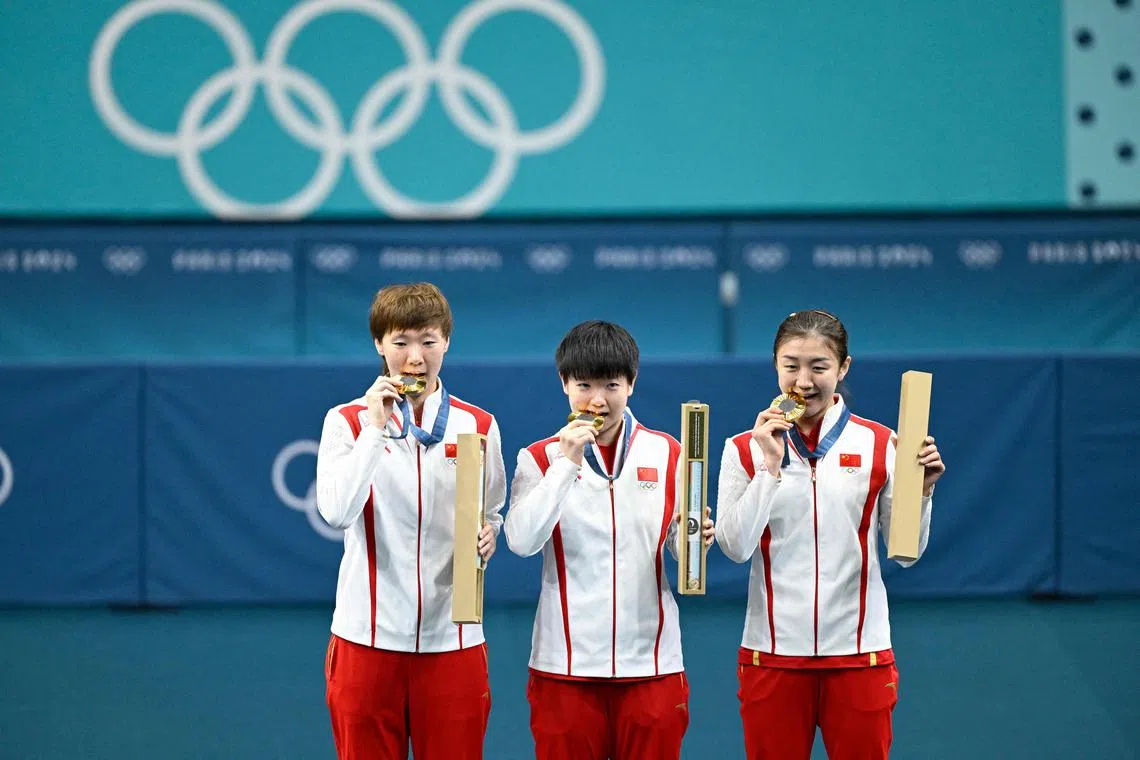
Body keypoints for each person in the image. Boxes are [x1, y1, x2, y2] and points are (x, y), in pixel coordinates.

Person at [716, 309, 945, 760]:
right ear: (775, 365)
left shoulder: (882, 444)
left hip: (861, 655)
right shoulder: (742, 449)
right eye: (791, 365)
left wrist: (922, 494)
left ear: (843, 369)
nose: (804, 381)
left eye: (819, 367)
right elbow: (736, 548)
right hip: (772, 655)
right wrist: (769, 468)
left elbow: (906, 553)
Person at [504, 320, 715, 760]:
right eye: (583, 385)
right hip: (564, 668)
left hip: (652, 668)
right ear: (564, 383)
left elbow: (679, 548)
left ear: (632, 385)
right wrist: (566, 464)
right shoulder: (539, 458)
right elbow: (521, 541)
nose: (597, 400)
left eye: (611, 385)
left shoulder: (671, 451)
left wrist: (696, 538)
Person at [315, 282, 505, 760]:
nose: (415, 357)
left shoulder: (478, 426)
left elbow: (494, 507)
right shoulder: (347, 422)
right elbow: (337, 512)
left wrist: (490, 533)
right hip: (366, 640)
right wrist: (375, 429)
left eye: (428, 341)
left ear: (447, 342)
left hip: (454, 641)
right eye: (400, 343)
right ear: (379, 345)